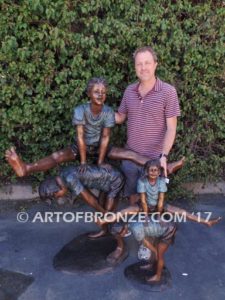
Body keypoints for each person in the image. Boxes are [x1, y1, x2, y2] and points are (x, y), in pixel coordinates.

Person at [5, 77, 184, 178]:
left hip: (101, 148)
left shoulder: (107, 112)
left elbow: (106, 138)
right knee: (57, 155)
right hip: (82, 147)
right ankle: (26, 168)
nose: (100, 94)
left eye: (103, 92)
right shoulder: (80, 110)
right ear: (89, 93)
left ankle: (164, 167)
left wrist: (99, 162)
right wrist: (83, 162)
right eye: (96, 92)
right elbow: (80, 138)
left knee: (131, 154)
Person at [98, 159, 221, 282]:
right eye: (150, 170)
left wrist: (159, 215)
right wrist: (145, 216)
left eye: (156, 170)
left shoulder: (161, 182)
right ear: (146, 171)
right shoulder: (142, 182)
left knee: (180, 211)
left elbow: (161, 200)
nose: (153, 172)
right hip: (144, 206)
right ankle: (104, 220)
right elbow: (144, 200)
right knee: (126, 211)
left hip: (159, 206)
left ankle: (205, 221)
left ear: (159, 171)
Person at [115, 46, 181, 205]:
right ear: (135, 67)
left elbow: (172, 128)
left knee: (152, 202)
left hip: (154, 160)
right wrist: (97, 110)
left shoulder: (168, 92)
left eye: (147, 63)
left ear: (155, 65)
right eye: (139, 64)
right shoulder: (129, 91)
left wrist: (164, 156)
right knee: (132, 198)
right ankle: (134, 227)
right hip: (130, 158)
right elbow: (120, 117)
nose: (143, 67)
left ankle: (150, 228)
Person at [39, 163, 127, 263]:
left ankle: (120, 248)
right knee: (102, 211)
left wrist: (105, 214)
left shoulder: (69, 179)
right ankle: (105, 230)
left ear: (55, 190)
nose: (58, 197)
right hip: (105, 184)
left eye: (56, 196)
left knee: (109, 216)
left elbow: (90, 198)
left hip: (114, 181)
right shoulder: (62, 175)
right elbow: (91, 198)